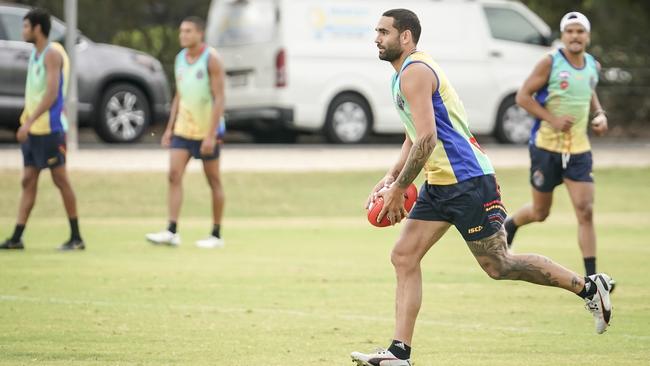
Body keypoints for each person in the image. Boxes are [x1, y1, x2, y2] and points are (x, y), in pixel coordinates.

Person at [350, 9, 612, 366]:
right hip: (440, 182)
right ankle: (400, 354)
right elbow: (415, 132)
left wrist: (399, 189)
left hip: (468, 181)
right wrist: (391, 176)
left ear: (406, 36)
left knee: (499, 265)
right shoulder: (402, 76)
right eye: (376, 32)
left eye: (383, 32)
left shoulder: (415, 72)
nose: (377, 38)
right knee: (403, 256)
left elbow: (427, 138)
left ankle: (587, 287)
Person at [504, 12, 609, 278]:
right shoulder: (550, 62)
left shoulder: (592, 66)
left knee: (585, 211)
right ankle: (511, 224)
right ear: (563, 36)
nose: (575, 36)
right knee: (540, 212)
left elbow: (590, 92)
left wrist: (599, 115)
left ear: (587, 36)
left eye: (580, 31)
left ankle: (593, 278)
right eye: (570, 31)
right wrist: (552, 119)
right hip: (546, 148)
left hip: (579, 151)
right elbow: (523, 97)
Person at [1, 8, 84, 251]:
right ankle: (17, 237)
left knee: (60, 180)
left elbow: (51, 94)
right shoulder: (35, 55)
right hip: (33, 130)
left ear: (38, 28)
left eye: (26, 26)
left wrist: (28, 121)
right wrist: (25, 120)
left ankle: (76, 237)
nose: (22, 31)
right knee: (28, 180)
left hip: (50, 129)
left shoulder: (52, 55)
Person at [145, 16, 226, 249]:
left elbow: (219, 97)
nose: (183, 35)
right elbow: (179, 95)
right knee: (173, 174)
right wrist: (169, 128)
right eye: (181, 31)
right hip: (183, 129)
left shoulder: (212, 59)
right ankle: (171, 231)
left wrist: (211, 135)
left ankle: (216, 234)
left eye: (188, 31)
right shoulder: (180, 58)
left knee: (213, 181)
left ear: (200, 34)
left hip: (206, 130)